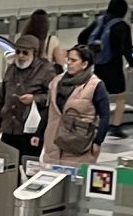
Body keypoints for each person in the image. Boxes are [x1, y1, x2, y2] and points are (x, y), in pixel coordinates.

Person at [42, 42, 111, 170]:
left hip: (78, 145)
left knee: (75, 180)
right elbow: (49, 109)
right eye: (68, 59)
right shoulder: (57, 81)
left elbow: (105, 116)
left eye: (73, 60)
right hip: (53, 143)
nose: (68, 63)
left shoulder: (95, 85)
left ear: (84, 64)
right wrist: (38, 133)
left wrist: (98, 141)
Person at [0, 34, 55, 170]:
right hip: (9, 127)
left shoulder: (46, 70)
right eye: (18, 52)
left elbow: (53, 97)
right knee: (8, 167)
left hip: (30, 129)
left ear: (34, 53)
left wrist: (34, 98)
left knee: (29, 166)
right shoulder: (11, 69)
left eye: (25, 53)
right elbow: (2, 96)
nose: (21, 56)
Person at [82, 0, 133, 138]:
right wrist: (131, 62)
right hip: (114, 66)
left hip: (98, 65)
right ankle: (116, 126)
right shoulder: (122, 25)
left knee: (95, 96)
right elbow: (126, 48)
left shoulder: (99, 21)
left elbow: (82, 37)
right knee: (120, 97)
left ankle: (90, 123)